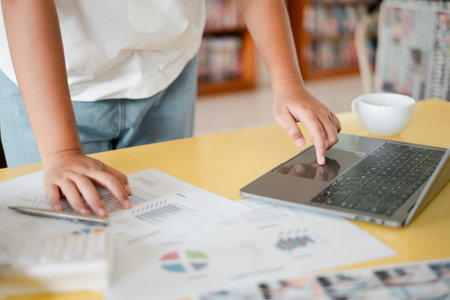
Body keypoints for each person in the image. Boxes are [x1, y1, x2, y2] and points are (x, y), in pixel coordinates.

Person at [0, 0, 341, 216]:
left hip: (167, 68)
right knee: (67, 234)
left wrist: (288, 83)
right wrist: (61, 151)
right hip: (52, 82)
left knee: (160, 216)